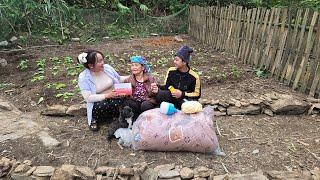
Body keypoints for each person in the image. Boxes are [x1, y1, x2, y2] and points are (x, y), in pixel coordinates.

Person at [77, 49, 126, 131]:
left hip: (114, 96)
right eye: (99, 61)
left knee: (124, 100)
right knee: (102, 105)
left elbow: (119, 78)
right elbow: (88, 98)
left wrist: (132, 78)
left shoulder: (107, 68)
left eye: (102, 60)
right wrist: (107, 95)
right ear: (91, 65)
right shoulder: (84, 77)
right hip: (99, 101)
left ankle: (114, 116)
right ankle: (94, 119)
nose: (103, 63)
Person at [151, 45, 201, 109]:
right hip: (172, 97)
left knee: (189, 106)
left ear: (184, 62)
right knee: (160, 95)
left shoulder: (194, 76)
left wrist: (182, 94)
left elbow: (197, 94)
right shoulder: (171, 71)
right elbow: (166, 86)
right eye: (174, 59)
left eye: (177, 60)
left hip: (185, 99)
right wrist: (157, 86)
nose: (174, 62)